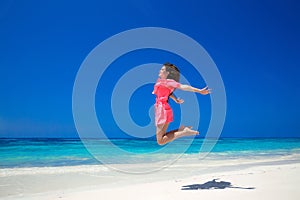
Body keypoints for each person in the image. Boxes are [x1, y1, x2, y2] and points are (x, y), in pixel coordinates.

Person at [153, 63, 211, 145]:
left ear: (167, 73)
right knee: (162, 138)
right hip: (163, 109)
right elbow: (168, 93)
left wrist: (199, 91)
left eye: (162, 70)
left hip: (162, 110)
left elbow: (183, 87)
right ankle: (183, 130)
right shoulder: (164, 83)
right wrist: (175, 99)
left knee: (161, 141)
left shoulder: (169, 82)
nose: (160, 70)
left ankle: (183, 132)